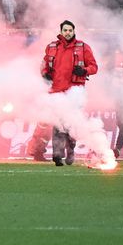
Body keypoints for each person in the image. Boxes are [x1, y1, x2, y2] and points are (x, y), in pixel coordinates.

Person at [41, 19, 98, 166]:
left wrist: (84, 70)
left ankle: (70, 151)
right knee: (58, 123)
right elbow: (44, 65)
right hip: (56, 91)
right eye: (65, 30)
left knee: (72, 124)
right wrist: (45, 73)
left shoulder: (83, 47)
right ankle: (57, 154)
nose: (67, 33)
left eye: (70, 30)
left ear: (74, 31)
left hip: (75, 92)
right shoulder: (52, 47)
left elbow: (94, 67)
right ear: (61, 31)